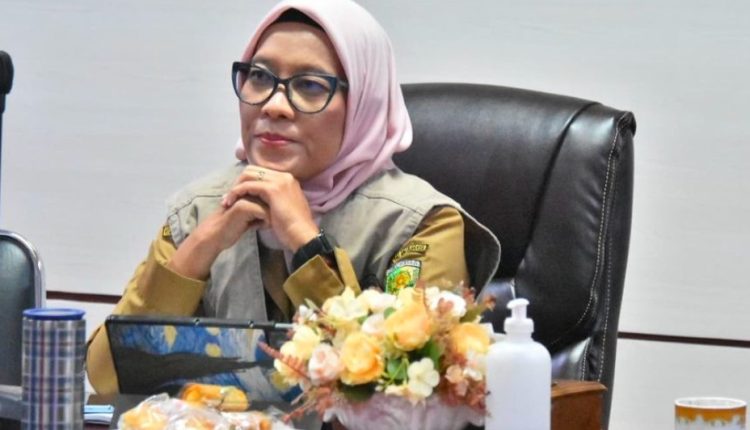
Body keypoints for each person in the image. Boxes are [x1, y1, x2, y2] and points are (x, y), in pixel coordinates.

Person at [86, 0, 501, 396]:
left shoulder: (421, 224)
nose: (274, 105)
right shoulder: (199, 209)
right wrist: (200, 248)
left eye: (310, 85)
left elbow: (410, 390)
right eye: (259, 77)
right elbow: (107, 377)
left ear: (364, 103)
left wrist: (306, 243)